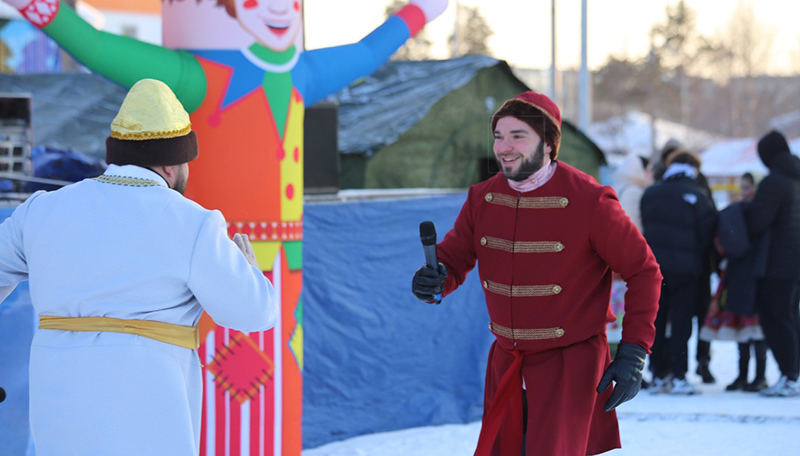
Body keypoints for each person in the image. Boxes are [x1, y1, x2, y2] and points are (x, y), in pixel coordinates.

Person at [0, 79, 280, 455]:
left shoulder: (41, 210)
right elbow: (255, 313)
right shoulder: (194, 223)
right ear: (171, 165)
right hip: (148, 405)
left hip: (59, 404)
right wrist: (249, 273)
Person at [411, 91, 662, 456]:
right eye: (499, 135)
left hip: (569, 367)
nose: (504, 147)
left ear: (548, 143)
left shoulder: (590, 200)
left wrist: (634, 351)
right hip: (507, 366)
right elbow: (454, 258)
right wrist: (434, 278)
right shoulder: (482, 197)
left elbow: (644, 271)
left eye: (518, 136)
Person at [641, 149, 717, 395]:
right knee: (682, 322)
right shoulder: (697, 195)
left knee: (657, 320)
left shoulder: (650, 194)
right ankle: (680, 374)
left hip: (654, 268)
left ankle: (658, 373)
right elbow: (708, 235)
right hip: (687, 270)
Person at [700, 172, 769, 392]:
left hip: (751, 276)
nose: (745, 191)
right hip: (742, 276)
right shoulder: (739, 213)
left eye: (749, 186)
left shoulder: (750, 214)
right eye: (743, 186)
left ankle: (758, 376)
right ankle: (744, 375)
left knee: (756, 331)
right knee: (745, 330)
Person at [745, 130, 800, 397]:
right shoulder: (795, 178)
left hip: (776, 263)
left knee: (776, 320)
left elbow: (758, 222)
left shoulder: (773, 182)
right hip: (795, 262)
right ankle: (794, 374)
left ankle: (790, 375)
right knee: (791, 318)